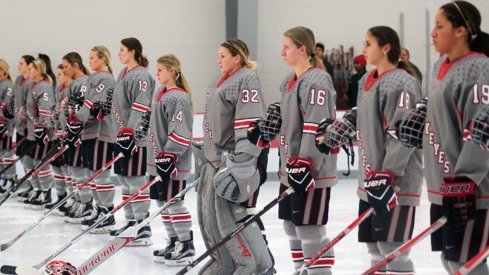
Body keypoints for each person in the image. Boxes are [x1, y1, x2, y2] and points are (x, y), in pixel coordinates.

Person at [198, 38, 273, 274]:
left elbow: (249, 125)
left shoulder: (246, 79)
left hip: (238, 161)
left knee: (237, 215)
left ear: (237, 57)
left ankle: (259, 265)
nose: (218, 59)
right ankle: (227, 261)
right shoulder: (220, 81)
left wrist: (242, 162)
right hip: (219, 161)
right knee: (212, 218)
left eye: (223, 55)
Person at [424, 1, 489, 273]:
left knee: (467, 264)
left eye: (440, 26)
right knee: (451, 261)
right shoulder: (441, 64)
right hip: (444, 186)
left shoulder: (479, 68)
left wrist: (464, 180)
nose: (433, 33)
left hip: (471, 190)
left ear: (461, 31)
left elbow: (482, 130)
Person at [355, 26, 423, 274]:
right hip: (370, 181)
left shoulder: (401, 82)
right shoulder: (366, 80)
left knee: (392, 249)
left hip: (394, 183)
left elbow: (404, 133)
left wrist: (387, 174)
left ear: (386, 48)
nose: (363, 50)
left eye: (368, 44)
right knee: (374, 248)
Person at [279, 26, 337, 274]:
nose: (282, 52)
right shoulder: (289, 81)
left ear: (302, 49)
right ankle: (302, 270)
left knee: (308, 227)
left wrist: (305, 163)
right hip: (289, 167)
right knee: (291, 225)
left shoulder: (317, 80)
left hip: (310, 169)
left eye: (287, 47)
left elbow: (317, 126)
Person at [147, 54, 195, 265]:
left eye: (160, 69)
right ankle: (174, 241)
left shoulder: (179, 96)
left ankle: (186, 245)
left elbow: (180, 129)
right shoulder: (161, 92)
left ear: (172, 70)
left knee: (174, 203)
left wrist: (170, 154)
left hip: (172, 161)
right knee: (162, 202)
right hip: (158, 159)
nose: (157, 73)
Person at [110, 37, 155, 246]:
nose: (119, 53)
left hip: (134, 139)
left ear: (133, 52)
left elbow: (141, 106)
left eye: (122, 50)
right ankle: (130, 222)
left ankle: (142, 226)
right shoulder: (123, 73)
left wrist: (131, 131)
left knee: (136, 180)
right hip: (120, 136)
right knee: (125, 179)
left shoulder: (142, 76)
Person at [73, 46, 116, 233]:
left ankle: (107, 213)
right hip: (90, 132)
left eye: (92, 58)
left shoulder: (105, 78)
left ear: (103, 59)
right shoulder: (93, 78)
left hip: (101, 132)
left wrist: (76, 116)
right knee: (94, 174)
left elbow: (92, 106)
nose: (89, 61)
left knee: (101, 174)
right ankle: (99, 210)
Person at [60, 52, 92, 224]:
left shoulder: (85, 82)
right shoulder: (73, 84)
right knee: (73, 169)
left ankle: (87, 204)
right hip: (72, 132)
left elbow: (84, 110)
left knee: (80, 171)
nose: (64, 70)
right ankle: (80, 201)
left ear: (75, 65)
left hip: (81, 133)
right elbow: (72, 110)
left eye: (66, 66)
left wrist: (76, 129)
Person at [22, 58, 56, 209]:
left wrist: (42, 128)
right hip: (31, 131)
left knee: (39, 162)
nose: (28, 72)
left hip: (41, 131)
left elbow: (46, 110)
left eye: (31, 69)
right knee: (28, 161)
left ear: (39, 70)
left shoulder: (44, 86)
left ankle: (46, 192)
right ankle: (37, 189)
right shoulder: (32, 85)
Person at [44, 64, 72, 213]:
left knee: (67, 169)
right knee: (57, 166)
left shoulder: (70, 89)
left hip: (67, 136)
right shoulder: (58, 89)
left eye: (61, 73)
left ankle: (71, 199)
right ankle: (61, 197)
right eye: (58, 74)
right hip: (57, 135)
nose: (59, 76)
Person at [14, 55, 35, 201]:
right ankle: (29, 184)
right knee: (22, 157)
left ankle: (35, 186)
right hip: (20, 125)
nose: (18, 66)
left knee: (29, 158)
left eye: (21, 63)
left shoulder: (31, 82)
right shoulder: (18, 80)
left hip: (29, 127)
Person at [0, 60, 16, 193]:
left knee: (6, 153)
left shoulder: (8, 85)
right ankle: (5, 177)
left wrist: (4, 124)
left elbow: (7, 107)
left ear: (4, 70)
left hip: (5, 126)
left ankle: (11, 178)